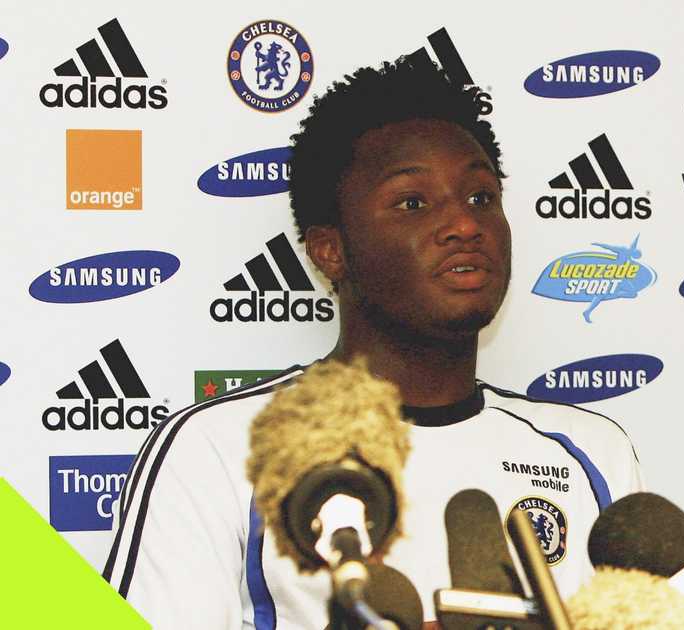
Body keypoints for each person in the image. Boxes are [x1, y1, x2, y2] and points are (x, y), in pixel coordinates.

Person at [103, 57, 643, 629]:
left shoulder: (591, 450)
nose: (465, 224)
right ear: (329, 251)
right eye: (413, 202)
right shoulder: (221, 448)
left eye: (481, 197)